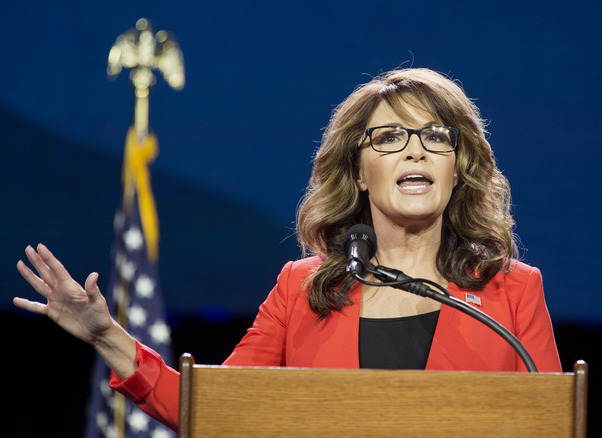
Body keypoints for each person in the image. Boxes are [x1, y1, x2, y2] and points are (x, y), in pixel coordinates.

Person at [14, 68, 561, 431]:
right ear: (360, 173)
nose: (415, 150)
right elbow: (216, 412)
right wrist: (108, 337)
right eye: (390, 138)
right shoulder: (302, 289)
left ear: (456, 167)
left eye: (436, 137)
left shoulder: (511, 291)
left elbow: (552, 423)